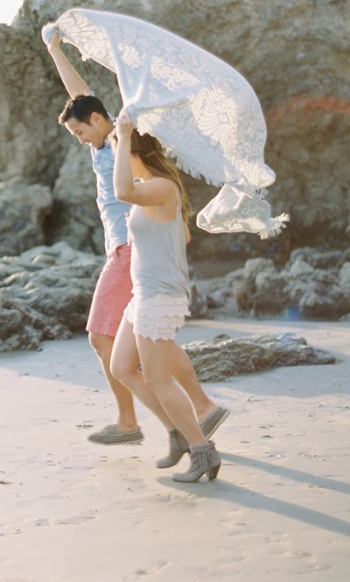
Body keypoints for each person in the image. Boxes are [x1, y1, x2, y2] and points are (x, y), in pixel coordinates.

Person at [46, 31, 228, 467]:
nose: (79, 138)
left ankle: (139, 419)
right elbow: (82, 99)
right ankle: (197, 408)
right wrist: (54, 49)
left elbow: (87, 101)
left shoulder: (118, 143)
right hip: (129, 247)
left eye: (79, 130)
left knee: (102, 337)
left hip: (130, 250)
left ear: (99, 120)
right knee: (148, 341)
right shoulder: (107, 143)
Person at [110, 113, 221, 482]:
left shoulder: (159, 187)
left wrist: (122, 134)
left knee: (158, 379)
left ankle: (202, 451)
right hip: (146, 293)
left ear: (133, 150)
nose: (116, 158)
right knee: (122, 367)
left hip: (158, 296)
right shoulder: (155, 189)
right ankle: (178, 435)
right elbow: (183, 237)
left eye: (119, 151)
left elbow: (121, 191)